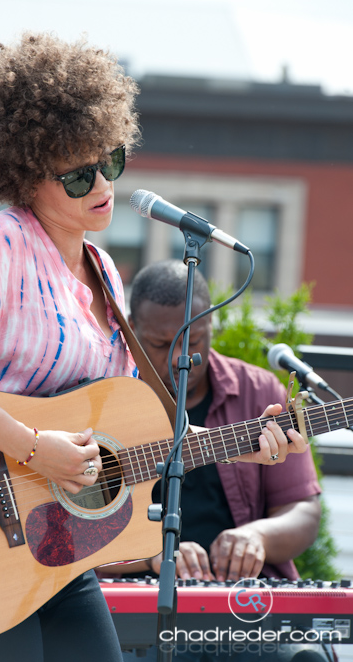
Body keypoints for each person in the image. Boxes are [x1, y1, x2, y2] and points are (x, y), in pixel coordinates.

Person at [0, 34, 308, 662]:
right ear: (25, 173)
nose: (102, 185)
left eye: (108, 162)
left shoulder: (105, 273)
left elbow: (116, 432)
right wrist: (32, 448)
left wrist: (253, 445)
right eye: (78, 175)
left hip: (59, 549)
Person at [98, 260, 323, 662]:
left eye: (195, 340)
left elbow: (302, 511)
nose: (181, 357)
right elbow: (73, 530)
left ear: (211, 327)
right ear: (131, 329)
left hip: (242, 602)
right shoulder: (103, 398)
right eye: (160, 343)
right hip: (137, 600)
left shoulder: (258, 391)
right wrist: (154, 556)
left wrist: (257, 537)